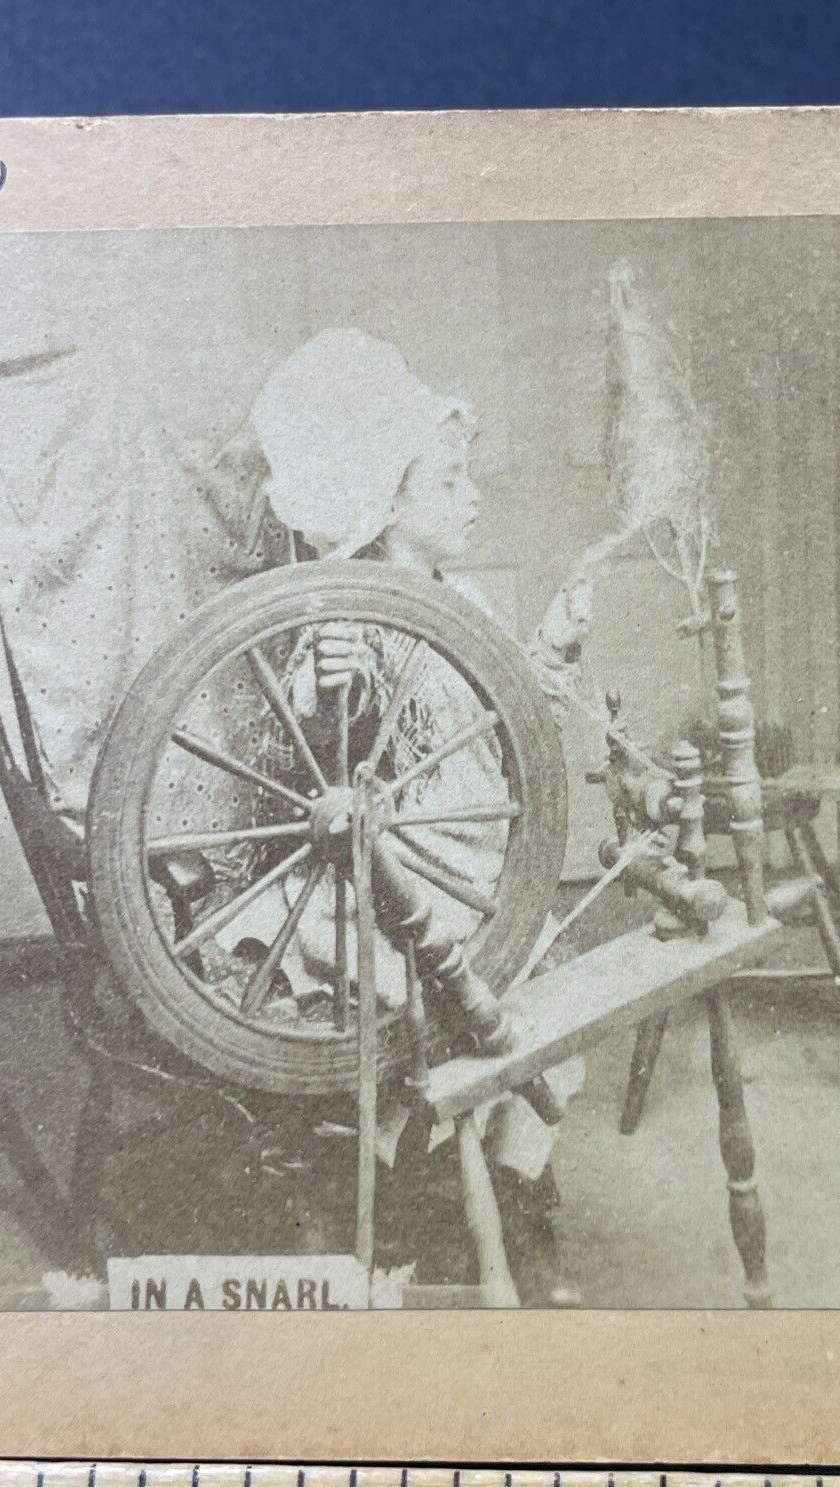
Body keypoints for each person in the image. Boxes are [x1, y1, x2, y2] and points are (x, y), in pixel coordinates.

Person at [232, 327, 586, 1302]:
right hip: (403, 877)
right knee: (482, 995)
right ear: (385, 502)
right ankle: (432, 1191)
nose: (472, 498)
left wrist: (554, 650)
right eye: (449, 482)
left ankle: (512, 1182)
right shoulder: (352, 611)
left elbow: (516, 720)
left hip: (477, 859)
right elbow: (319, 755)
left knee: (544, 983)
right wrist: (335, 689)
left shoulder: (458, 597)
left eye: (469, 480)